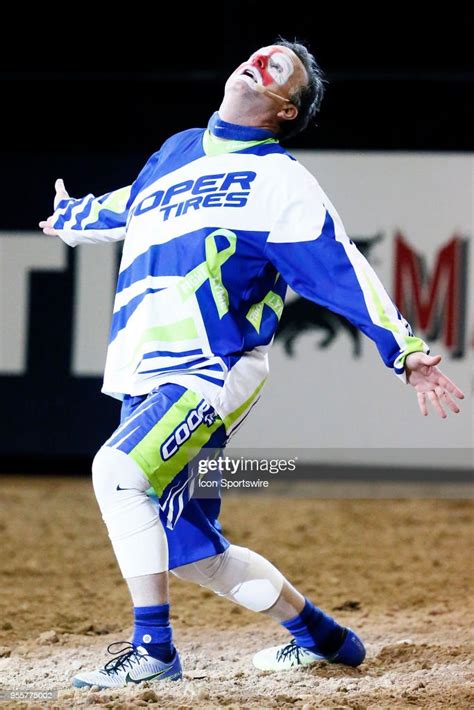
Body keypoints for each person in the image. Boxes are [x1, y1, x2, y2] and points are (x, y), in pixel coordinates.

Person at [40, 39, 464, 689]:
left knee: (117, 470)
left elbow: (337, 265)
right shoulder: (177, 150)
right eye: (258, 54)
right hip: (146, 374)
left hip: (210, 368)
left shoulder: (280, 179)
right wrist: (76, 217)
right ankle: (325, 638)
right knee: (190, 552)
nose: (256, 63)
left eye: (277, 69)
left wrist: (404, 350)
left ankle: (154, 650)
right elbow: (134, 204)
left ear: (285, 110)